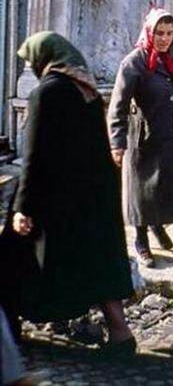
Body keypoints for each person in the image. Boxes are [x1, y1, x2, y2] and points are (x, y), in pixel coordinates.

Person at [12, 32, 135, 355]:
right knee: (99, 264)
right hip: (93, 195)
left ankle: (10, 334)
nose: (30, 65)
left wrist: (22, 207)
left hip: (56, 199)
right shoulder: (87, 91)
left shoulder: (45, 93)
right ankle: (121, 335)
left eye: (30, 59)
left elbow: (34, 154)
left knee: (13, 259)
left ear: (44, 57)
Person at [108, 8, 173, 268]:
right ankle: (140, 240)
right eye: (159, 33)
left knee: (166, 185)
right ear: (149, 32)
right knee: (142, 191)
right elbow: (118, 106)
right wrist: (117, 143)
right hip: (145, 137)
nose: (164, 39)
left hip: (172, 133)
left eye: (169, 33)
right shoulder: (134, 62)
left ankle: (158, 226)